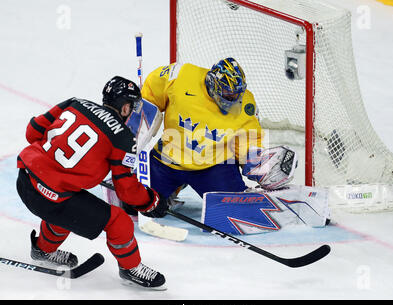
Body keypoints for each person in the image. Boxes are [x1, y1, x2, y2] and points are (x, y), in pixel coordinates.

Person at [16, 76, 168, 290]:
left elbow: (32, 133)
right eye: (132, 107)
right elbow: (126, 190)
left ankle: (43, 249)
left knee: (69, 207)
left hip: (26, 180)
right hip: (52, 198)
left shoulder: (74, 103)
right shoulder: (124, 138)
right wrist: (151, 201)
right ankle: (131, 268)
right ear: (125, 107)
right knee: (119, 222)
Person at [140, 57, 265, 199]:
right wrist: (140, 111)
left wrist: (255, 164)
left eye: (237, 94)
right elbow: (152, 90)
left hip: (215, 166)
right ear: (213, 84)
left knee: (234, 209)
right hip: (168, 159)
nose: (234, 99)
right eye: (228, 95)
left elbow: (248, 139)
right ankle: (175, 185)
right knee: (136, 203)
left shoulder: (247, 103)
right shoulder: (181, 75)